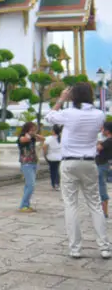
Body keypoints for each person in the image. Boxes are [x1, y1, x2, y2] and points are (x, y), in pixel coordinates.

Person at [46, 83, 111, 259]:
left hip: (69, 162)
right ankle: (104, 247)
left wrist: (61, 99)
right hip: (89, 163)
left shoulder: (68, 114)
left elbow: (49, 117)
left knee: (71, 204)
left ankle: (75, 248)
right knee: (95, 205)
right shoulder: (99, 115)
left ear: (73, 96)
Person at [17, 121, 44, 212]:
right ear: (27, 129)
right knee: (31, 185)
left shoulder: (33, 137)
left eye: (34, 129)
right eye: (32, 129)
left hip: (33, 163)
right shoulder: (21, 137)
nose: (33, 130)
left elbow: (43, 139)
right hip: (26, 163)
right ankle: (23, 205)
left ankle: (26, 205)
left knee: (28, 185)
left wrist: (34, 134)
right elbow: (26, 139)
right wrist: (29, 134)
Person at [96, 121, 112, 218]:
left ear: (107, 130)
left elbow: (98, 148)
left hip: (102, 165)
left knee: (101, 186)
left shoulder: (108, 141)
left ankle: (104, 211)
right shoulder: (107, 140)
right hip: (104, 165)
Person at [43, 124, 63, 190]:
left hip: (51, 157)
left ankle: (55, 184)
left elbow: (44, 148)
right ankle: (57, 183)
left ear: (53, 131)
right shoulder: (61, 138)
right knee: (57, 170)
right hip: (60, 157)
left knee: (53, 171)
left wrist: (45, 155)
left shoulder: (49, 138)